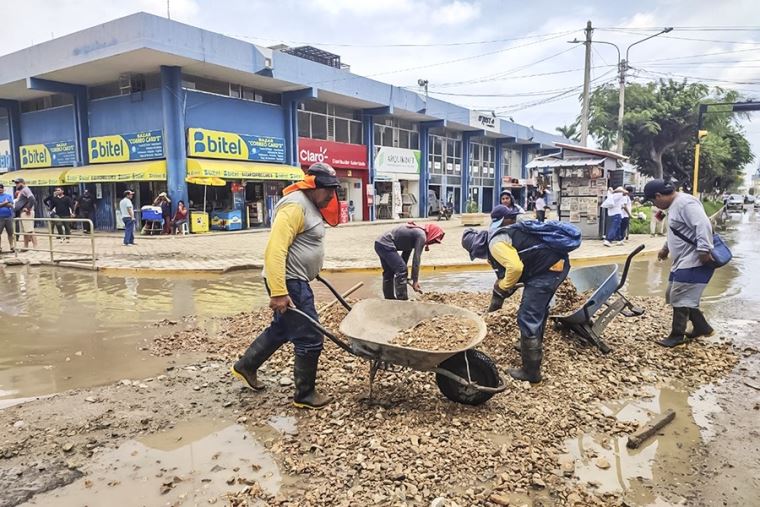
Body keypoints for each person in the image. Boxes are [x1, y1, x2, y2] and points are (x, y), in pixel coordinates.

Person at [232, 162, 342, 410]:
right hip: (289, 282)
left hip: (296, 279)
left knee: (282, 330)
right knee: (310, 337)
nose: (331, 196)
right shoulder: (294, 206)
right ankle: (305, 395)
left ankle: (246, 366)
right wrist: (280, 291)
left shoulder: (309, 205)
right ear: (314, 187)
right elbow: (275, 250)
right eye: (328, 190)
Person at [461, 205, 570, 383]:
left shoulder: (495, 244)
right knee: (538, 309)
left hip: (547, 271)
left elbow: (516, 268)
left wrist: (504, 286)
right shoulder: (500, 237)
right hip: (554, 266)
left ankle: (531, 372)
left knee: (528, 315)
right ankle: (529, 345)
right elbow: (518, 265)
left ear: (477, 248)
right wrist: (505, 286)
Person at [646, 179, 715, 348]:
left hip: (694, 260)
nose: (654, 204)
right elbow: (676, 232)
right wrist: (665, 249)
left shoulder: (685, 203)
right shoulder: (674, 206)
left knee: (680, 297)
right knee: (673, 294)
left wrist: (704, 251)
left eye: (653, 201)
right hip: (682, 260)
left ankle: (677, 335)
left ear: (658, 195)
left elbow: (703, 224)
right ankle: (702, 327)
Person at [374, 222, 445, 300]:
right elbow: (416, 260)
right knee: (401, 269)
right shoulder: (421, 236)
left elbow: (405, 255)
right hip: (386, 244)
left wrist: (405, 277)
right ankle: (403, 301)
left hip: (379, 243)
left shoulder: (415, 232)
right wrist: (415, 281)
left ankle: (389, 299)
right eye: (434, 240)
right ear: (432, 233)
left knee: (389, 272)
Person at [13, 178, 37, 250]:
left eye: (18, 183)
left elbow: (32, 198)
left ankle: (35, 246)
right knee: (25, 231)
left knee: (30, 230)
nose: (16, 184)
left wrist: (28, 208)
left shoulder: (26, 189)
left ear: (23, 183)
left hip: (26, 213)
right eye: (16, 183)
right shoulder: (22, 190)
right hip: (22, 212)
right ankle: (25, 246)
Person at [0, 183, 14, 253]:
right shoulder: (6, 198)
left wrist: (2, 204)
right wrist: (5, 203)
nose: (0, 189)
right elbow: (7, 204)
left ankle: (12, 246)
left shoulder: (8, 196)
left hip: (9, 216)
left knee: (10, 233)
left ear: (3, 189)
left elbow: (11, 205)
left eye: (1, 188)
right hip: (0, 217)